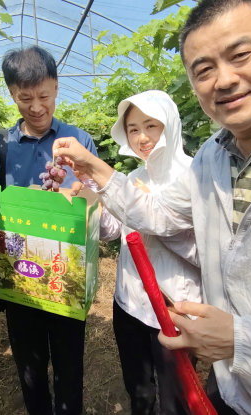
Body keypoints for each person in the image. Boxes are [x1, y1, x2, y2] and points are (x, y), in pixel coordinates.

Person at [50, 1, 251, 414]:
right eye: (204, 69)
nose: (225, 79)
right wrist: (95, 173)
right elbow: (156, 215)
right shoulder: (213, 157)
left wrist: (242, 339)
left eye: (240, 54)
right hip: (231, 387)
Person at [0, 46, 98, 415]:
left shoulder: (79, 141)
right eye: (25, 98)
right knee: (29, 365)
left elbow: (97, 195)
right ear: (12, 94)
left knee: (70, 361)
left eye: (44, 96)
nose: (36, 107)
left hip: (66, 272)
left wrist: (82, 194)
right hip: (20, 272)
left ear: (56, 88)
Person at [83, 90, 201, 415]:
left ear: (170, 124)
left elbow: (201, 249)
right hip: (129, 303)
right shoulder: (133, 178)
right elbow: (112, 230)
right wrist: (91, 198)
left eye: (151, 126)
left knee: (176, 397)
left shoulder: (194, 176)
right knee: (139, 391)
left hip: (174, 307)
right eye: (133, 129)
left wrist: (146, 208)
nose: (142, 137)